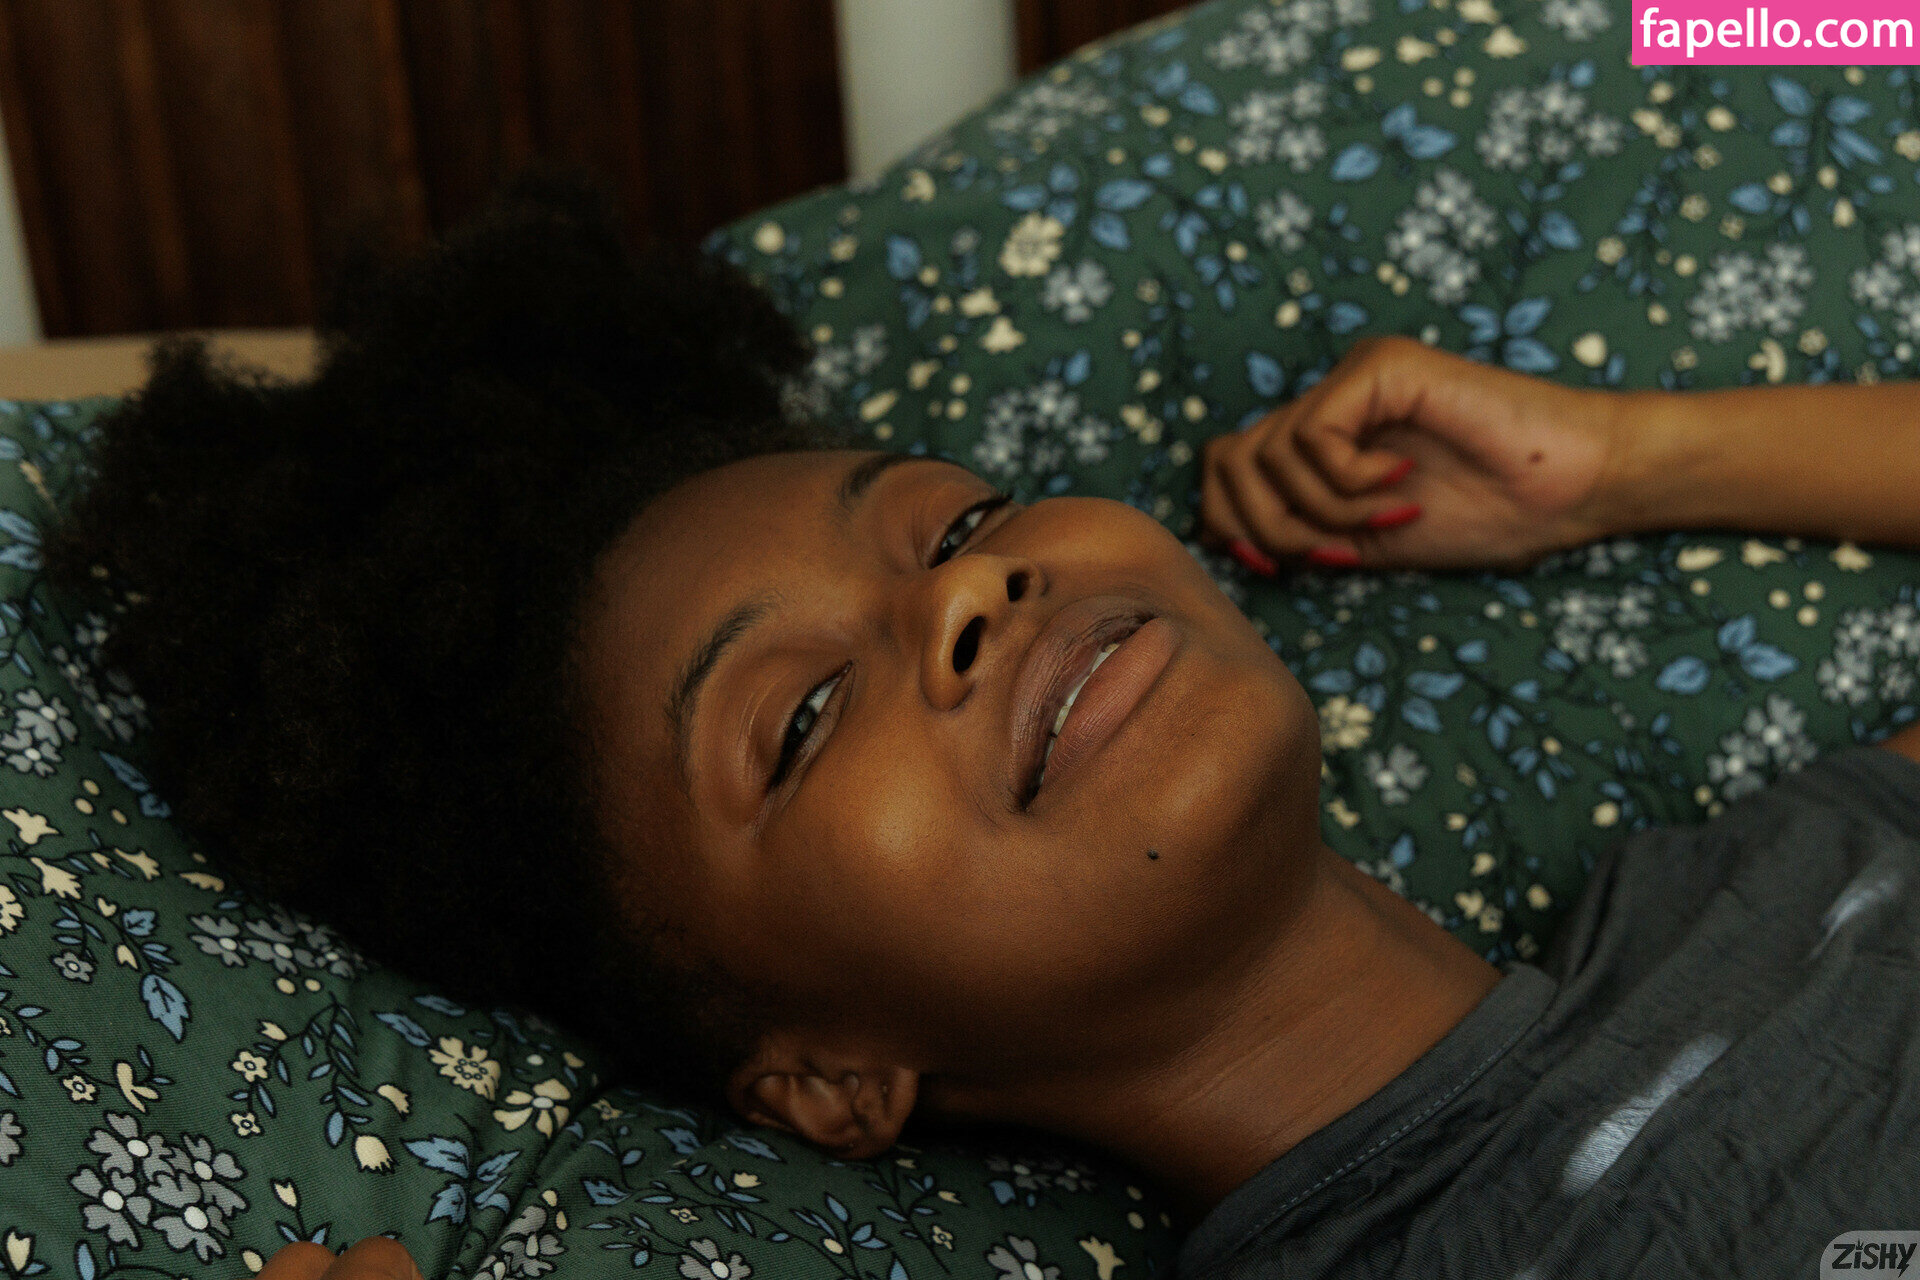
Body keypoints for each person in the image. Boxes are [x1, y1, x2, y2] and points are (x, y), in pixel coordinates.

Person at [49, 180, 1920, 1279]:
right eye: (800, 717)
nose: (971, 596)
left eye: (958, 524)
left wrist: (1628, 462)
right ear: (828, 1079)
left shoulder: (1781, 876)